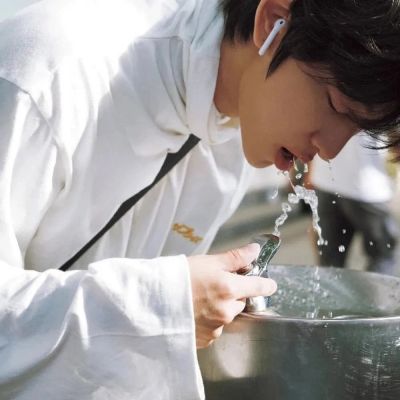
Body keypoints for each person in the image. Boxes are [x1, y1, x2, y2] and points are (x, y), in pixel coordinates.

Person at [1, 0, 400, 398]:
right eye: (335, 105)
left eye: (355, 129)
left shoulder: (232, 132)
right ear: (273, 23)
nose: (330, 149)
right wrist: (161, 305)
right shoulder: (49, 72)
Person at [310, 134, 399, 275]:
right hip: (367, 188)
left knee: (330, 261)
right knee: (382, 255)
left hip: (325, 180)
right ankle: (372, 290)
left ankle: (329, 289)